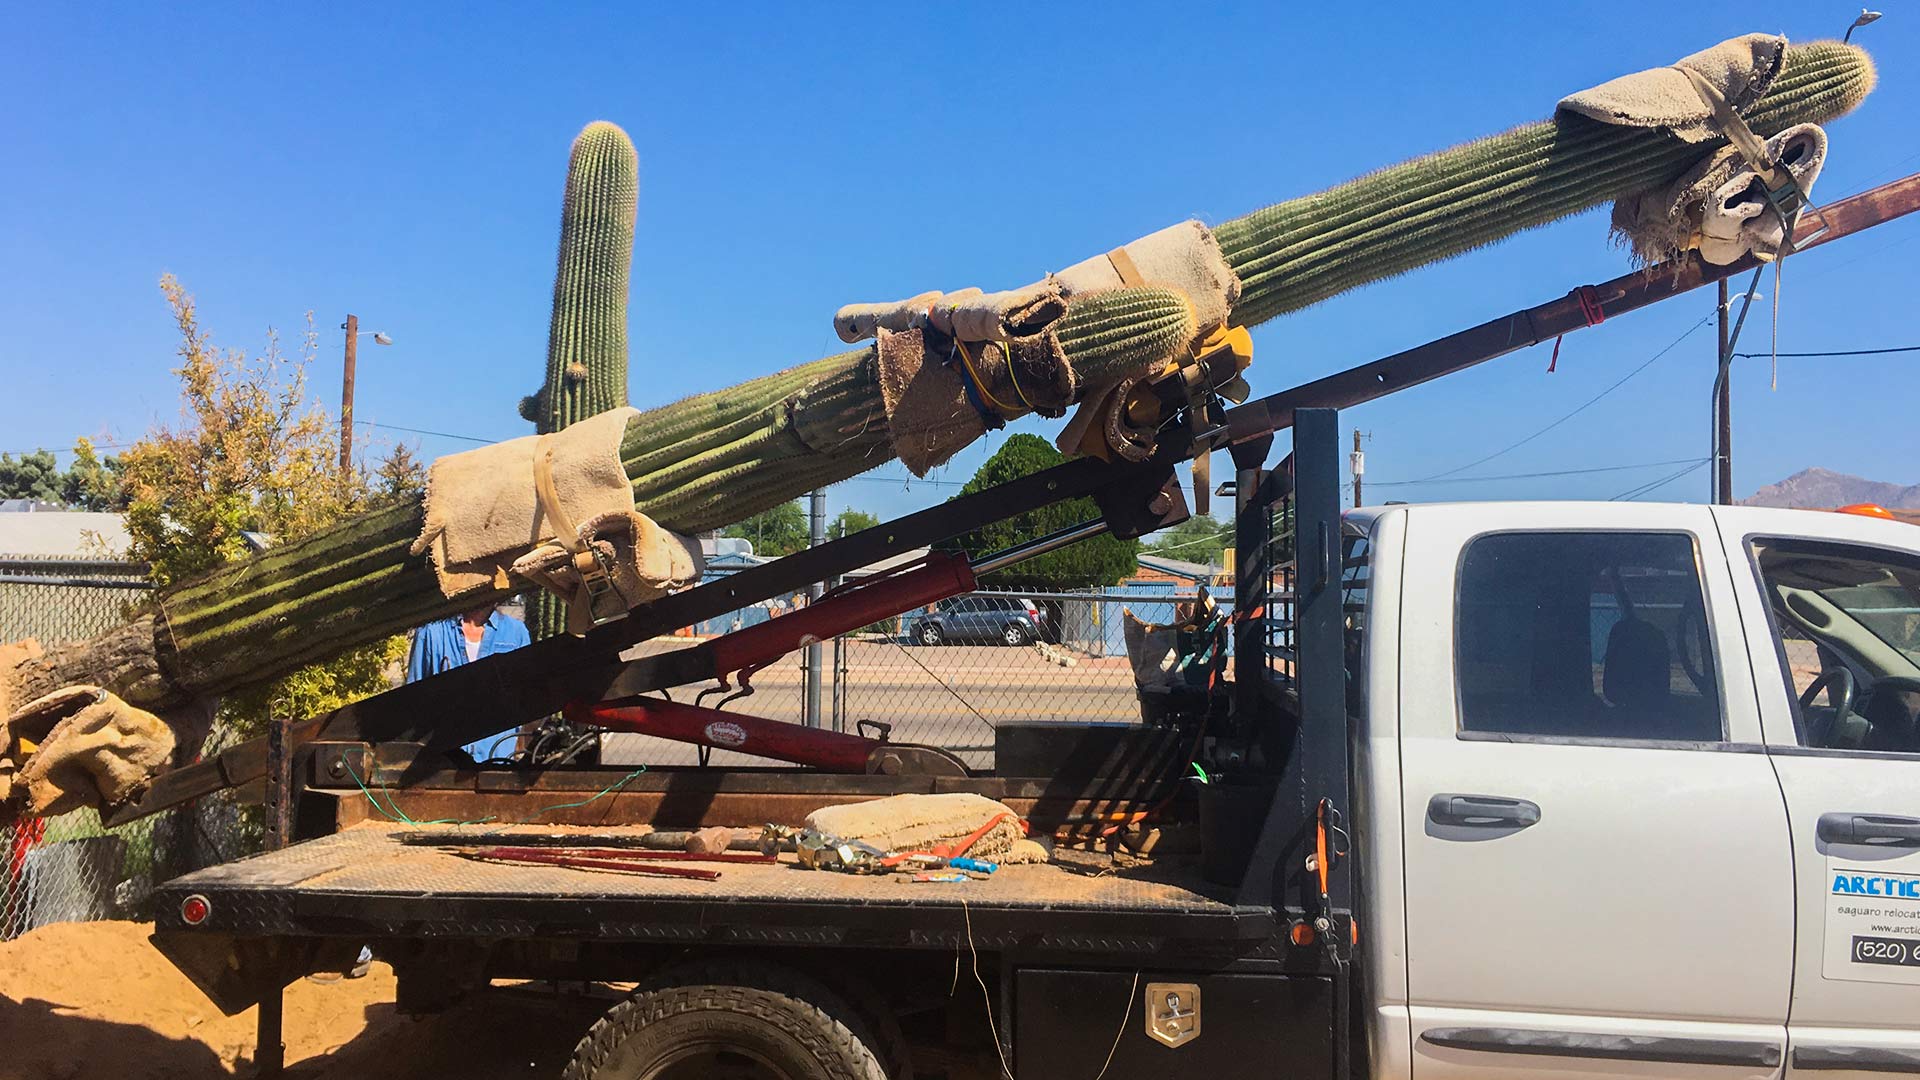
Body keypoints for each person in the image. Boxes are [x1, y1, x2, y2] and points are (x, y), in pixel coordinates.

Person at [406, 600, 531, 761]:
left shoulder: (516, 633)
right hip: (441, 765)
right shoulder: (431, 631)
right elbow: (414, 700)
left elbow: (526, 699)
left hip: (497, 762)